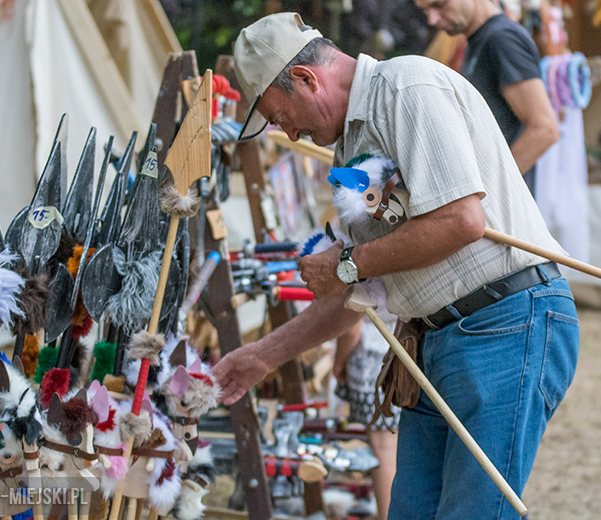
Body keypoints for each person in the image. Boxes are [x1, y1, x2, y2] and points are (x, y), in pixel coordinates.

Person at [214, 12, 579, 520]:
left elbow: (461, 220)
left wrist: (346, 262)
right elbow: (362, 289)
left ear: (304, 78)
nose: (289, 133)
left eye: (280, 117)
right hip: (441, 337)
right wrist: (263, 355)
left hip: (506, 321)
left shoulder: (406, 85)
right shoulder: (348, 148)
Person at [415, 0, 560, 196]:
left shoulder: (501, 38)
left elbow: (544, 130)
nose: (432, 19)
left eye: (440, 5)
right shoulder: (478, 39)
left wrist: (483, 193)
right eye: (425, 11)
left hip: (503, 211)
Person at [333, 315, 399, 520]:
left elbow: (352, 321)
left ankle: (388, 516)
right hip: (404, 345)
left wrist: (338, 361)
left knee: (383, 447)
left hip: (375, 352)